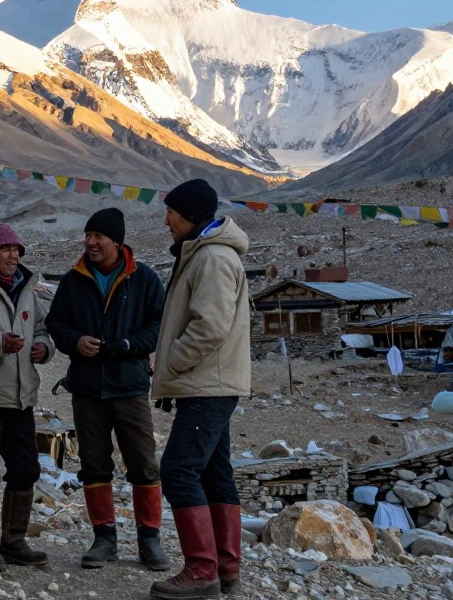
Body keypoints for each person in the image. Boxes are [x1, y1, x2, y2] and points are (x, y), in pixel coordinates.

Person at [45, 207, 169, 571]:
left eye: (98, 236)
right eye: (88, 236)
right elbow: (56, 322)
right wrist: (75, 341)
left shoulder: (143, 279)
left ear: (117, 241)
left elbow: (159, 324)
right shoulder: (74, 279)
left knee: (143, 465)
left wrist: (131, 345)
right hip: (86, 389)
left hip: (129, 387)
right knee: (94, 465)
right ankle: (104, 537)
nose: (91, 242)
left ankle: (150, 539)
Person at [149, 179, 251, 600]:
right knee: (214, 472)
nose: (166, 219)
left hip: (207, 382)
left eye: (171, 211)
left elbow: (209, 326)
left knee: (178, 470)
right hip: (208, 381)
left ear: (190, 213)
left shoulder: (211, 258)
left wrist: (170, 362)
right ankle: (225, 569)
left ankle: (201, 571)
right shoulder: (202, 254)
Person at [0, 223, 55, 571]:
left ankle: (14, 541)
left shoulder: (28, 291)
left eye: (17, 250)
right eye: (6, 250)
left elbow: (43, 329)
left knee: (27, 468)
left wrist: (42, 348)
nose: (14, 256)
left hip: (21, 397)